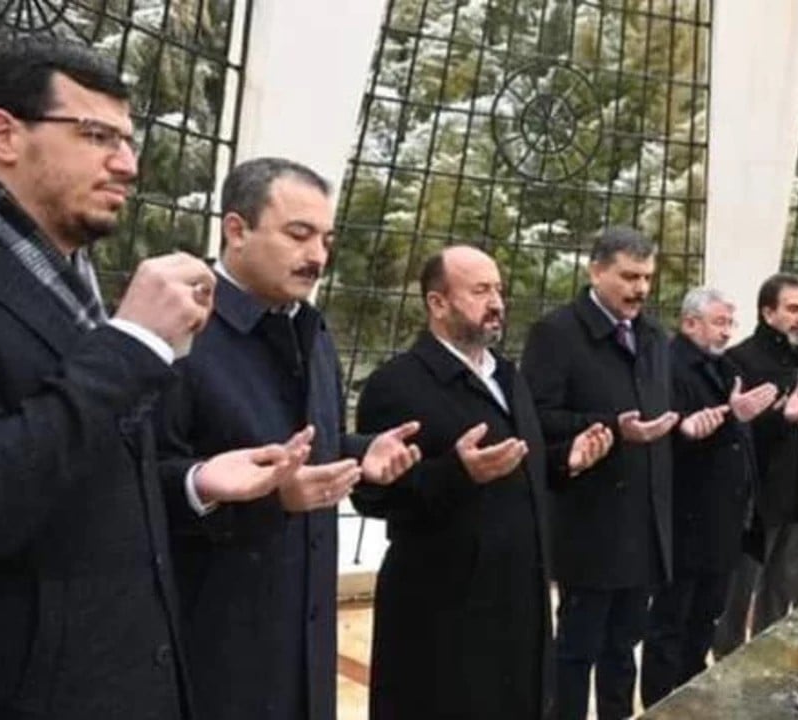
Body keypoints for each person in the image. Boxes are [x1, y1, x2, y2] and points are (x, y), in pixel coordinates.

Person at [0, 38, 307, 719]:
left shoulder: (71, 277)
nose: (128, 165)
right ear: (3, 135)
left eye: (129, 141)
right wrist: (132, 343)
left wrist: (196, 483)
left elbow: (84, 479)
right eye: (95, 135)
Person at [155, 158, 422, 720]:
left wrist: (355, 452)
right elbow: (138, 484)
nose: (318, 256)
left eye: (326, 239)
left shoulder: (311, 331)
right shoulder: (175, 329)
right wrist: (261, 497)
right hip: (213, 657)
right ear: (236, 229)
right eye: (298, 235)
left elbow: (296, 453)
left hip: (303, 650)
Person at [353, 245, 614, 719]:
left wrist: (563, 462)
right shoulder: (398, 384)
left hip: (518, 603)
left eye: (498, 289)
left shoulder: (507, 376)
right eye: (479, 291)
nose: (496, 302)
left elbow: (516, 466)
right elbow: (373, 494)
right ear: (438, 303)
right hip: (445, 615)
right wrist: (458, 472)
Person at [521, 227, 680, 720]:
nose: (640, 289)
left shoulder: (654, 338)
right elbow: (536, 415)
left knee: (622, 649)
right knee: (576, 649)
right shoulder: (556, 333)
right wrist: (611, 427)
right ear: (595, 270)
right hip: (589, 523)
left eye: (647, 278)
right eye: (629, 276)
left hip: (643, 525)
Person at [640, 287, 777, 706]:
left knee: (703, 621)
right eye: (718, 323)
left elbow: (737, 435)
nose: (725, 332)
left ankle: (691, 700)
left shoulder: (724, 367)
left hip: (724, 521)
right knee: (671, 623)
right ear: (689, 323)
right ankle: (663, 705)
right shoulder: (669, 366)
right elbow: (670, 441)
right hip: (686, 519)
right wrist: (720, 421)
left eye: (729, 323)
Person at [725, 272, 798, 635]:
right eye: (793, 309)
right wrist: (780, 420)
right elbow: (735, 433)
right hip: (754, 501)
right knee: (737, 596)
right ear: (768, 313)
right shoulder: (740, 361)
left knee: (782, 595)